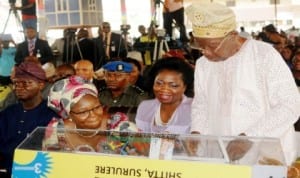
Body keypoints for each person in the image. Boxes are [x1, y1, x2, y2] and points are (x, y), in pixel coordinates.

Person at [186, 3, 300, 164]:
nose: (206, 53)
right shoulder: (203, 64)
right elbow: (201, 103)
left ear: (232, 35)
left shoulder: (264, 55)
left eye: (211, 46)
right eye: (200, 46)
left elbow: (290, 105)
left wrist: (249, 137)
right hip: (219, 151)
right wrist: (196, 132)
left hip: (264, 153)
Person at [45, 76, 148, 155]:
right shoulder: (57, 131)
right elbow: (49, 162)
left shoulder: (121, 128)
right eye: (83, 112)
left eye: (97, 107)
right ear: (68, 115)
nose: (93, 115)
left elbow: (143, 160)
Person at [0, 61, 58, 177]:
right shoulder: (7, 113)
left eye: (26, 83)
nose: (19, 88)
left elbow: (52, 154)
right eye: (16, 83)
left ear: (41, 85)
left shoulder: (51, 115)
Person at [135, 57, 194, 134]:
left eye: (173, 85)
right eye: (159, 83)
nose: (164, 89)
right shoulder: (145, 107)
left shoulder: (194, 108)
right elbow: (139, 139)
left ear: (185, 87)